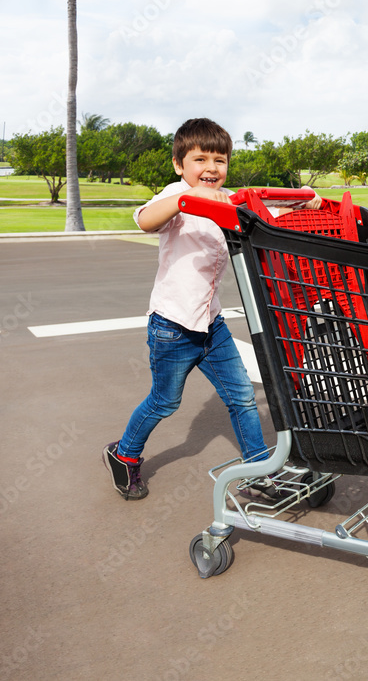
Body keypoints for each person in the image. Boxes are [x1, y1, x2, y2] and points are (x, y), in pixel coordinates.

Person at [103, 117, 319, 501]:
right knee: (165, 401)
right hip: (172, 327)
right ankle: (123, 455)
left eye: (219, 160)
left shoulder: (226, 199)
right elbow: (144, 220)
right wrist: (188, 199)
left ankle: (258, 472)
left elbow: (265, 215)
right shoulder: (176, 197)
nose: (210, 168)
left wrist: (304, 199)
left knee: (241, 398)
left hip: (212, 326)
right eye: (199, 159)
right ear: (179, 165)